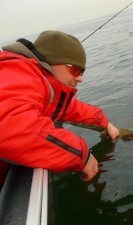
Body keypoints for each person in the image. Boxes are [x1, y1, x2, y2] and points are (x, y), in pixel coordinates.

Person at [0, 30, 120, 183]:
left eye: (82, 72)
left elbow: (66, 106)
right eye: (75, 70)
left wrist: (104, 121)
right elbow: (11, 129)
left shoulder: (39, 82)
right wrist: (80, 155)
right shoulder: (19, 73)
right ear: (52, 62)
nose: (80, 78)